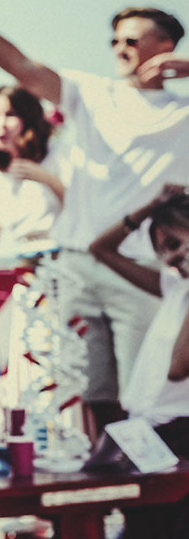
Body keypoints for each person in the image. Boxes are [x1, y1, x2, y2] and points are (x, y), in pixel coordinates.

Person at [0, 0, 189, 430]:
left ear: (165, 47)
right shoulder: (94, 94)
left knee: (145, 395)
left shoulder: (182, 113)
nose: (119, 50)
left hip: (140, 270)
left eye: (132, 41)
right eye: (115, 41)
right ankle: (106, 472)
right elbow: (21, 67)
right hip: (77, 265)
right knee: (92, 392)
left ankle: (149, 475)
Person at [88, 184, 189, 538]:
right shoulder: (176, 287)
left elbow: (178, 366)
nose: (173, 257)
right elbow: (100, 249)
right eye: (164, 250)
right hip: (145, 431)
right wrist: (149, 207)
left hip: (179, 434)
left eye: (176, 243)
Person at [0, 84, 68, 264]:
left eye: (10, 115)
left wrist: (47, 179)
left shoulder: (58, 154)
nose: (0, 124)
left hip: (66, 259)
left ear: (29, 118)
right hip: (27, 265)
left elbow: (84, 211)